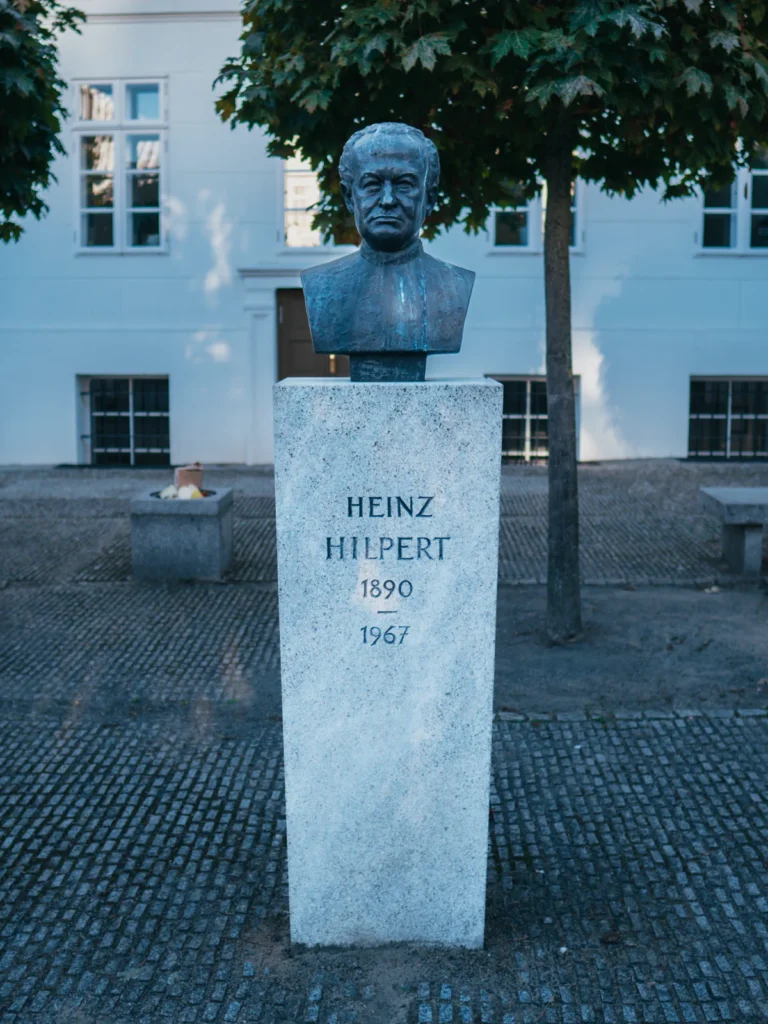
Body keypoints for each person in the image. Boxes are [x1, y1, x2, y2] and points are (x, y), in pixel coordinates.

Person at [301, 122, 475, 382]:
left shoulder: (455, 284)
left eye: (404, 184)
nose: (387, 199)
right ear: (350, 197)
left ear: (429, 198)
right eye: (371, 185)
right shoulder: (321, 285)